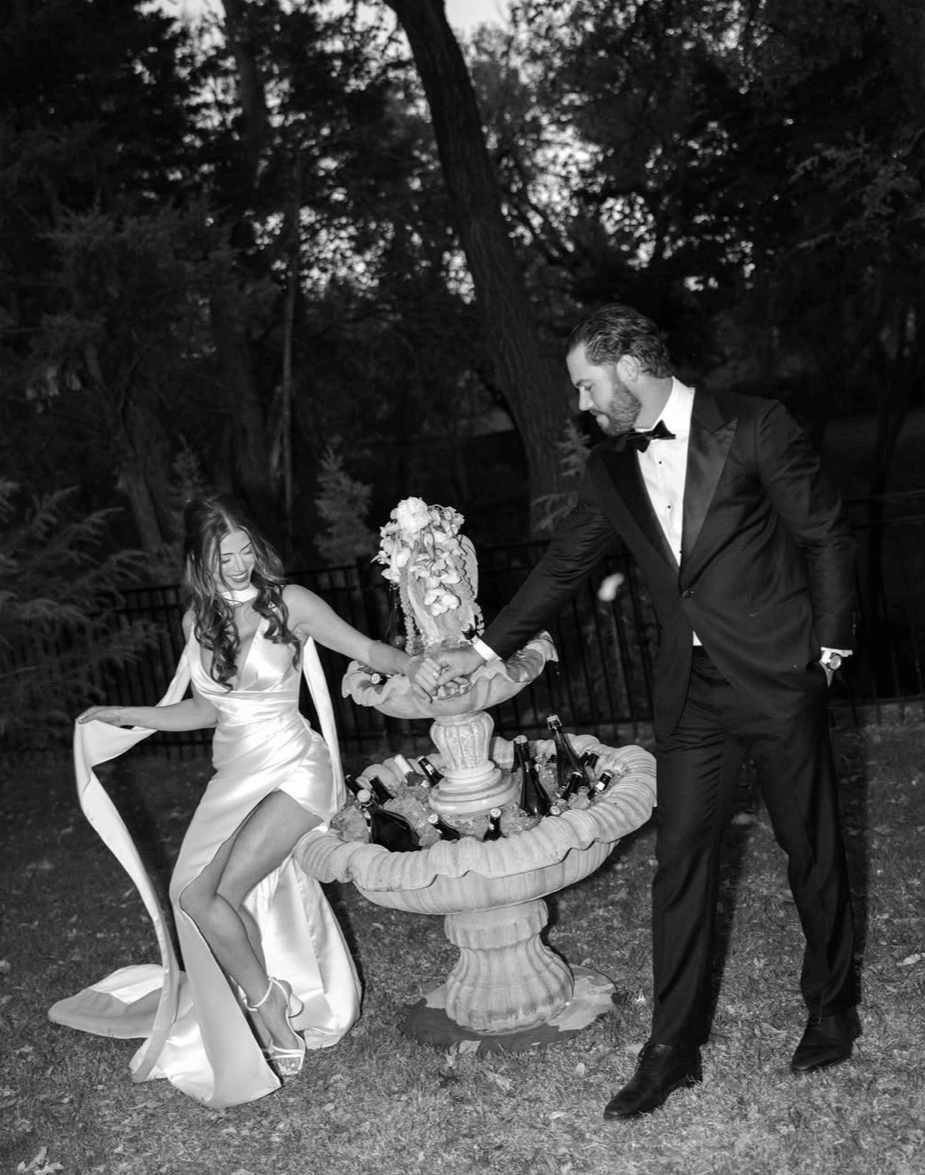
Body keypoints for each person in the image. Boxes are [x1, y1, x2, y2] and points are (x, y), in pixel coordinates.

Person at [427, 303, 859, 1120]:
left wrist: (827, 647)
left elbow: (826, 534)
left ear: (629, 364)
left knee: (811, 847)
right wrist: (482, 651)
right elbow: (562, 569)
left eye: (587, 385)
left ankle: (830, 1004)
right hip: (689, 693)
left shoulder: (753, 423)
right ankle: (673, 1045)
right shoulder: (609, 471)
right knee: (680, 862)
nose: (583, 405)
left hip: (774, 675)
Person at [50, 494, 437, 1108]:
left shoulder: (292, 604)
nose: (237, 563)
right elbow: (207, 708)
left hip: (294, 767)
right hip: (233, 775)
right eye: (222, 554)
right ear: (198, 560)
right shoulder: (195, 621)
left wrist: (419, 666)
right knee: (191, 896)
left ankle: (271, 1017)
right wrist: (124, 714)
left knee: (220, 894)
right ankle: (270, 996)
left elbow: (368, 651)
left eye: (244, 549)